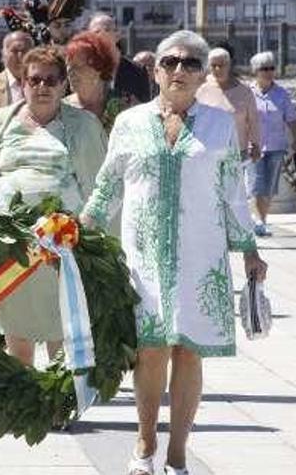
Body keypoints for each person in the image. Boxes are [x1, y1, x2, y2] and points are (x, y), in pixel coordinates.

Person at [79, 30, 268, 475]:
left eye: (190, 64)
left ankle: (178, 452)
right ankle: (144, 443)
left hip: (200, 257)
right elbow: (107, 187)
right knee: (150, 351)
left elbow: (233, 195)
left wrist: (250, 252)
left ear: (203, 73)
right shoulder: (129, 122)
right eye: (170, 62)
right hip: (142, 258)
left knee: (188, 351)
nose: (179, 70)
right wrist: (74, 229)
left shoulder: (221, 125)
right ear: (155, 70)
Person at [0, 46, 107, 366]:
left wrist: (93, 236)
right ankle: (24, 403)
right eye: (35, 79)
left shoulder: (84, 125)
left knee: (60, 327)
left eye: (51, 80)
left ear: (64, 84)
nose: (43, 87)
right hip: (10, 245)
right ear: (22, 83)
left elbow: (101, 188)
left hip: (63, 244)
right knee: (17, 330)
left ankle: (58, 405)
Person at [249, 50, 296, 237]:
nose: (269, 72)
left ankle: (262, 220)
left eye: (271, 68)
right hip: (253, 146)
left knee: (269, 187)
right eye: (265, 69)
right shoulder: (248, 93)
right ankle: (259, 221)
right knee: (256, 185)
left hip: (277, 146)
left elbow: (292, 119)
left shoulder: (281, 94)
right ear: (256, 71)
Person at [197, 47, 261, 162]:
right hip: (209, 153)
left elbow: (253, 121)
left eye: (221, 65)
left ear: (229, 65)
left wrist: (255, 144)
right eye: (213, 65)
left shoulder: (244, 92)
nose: (217, 69)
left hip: (238, 154)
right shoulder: (201, 90)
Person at [64, 30, 130, 132]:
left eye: (77, 67)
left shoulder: (125, 105)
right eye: (68, 67)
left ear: (98, 68)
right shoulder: (61, 110)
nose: (70, 73)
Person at [87, 13, 151, 105]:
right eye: (97, 32)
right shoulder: (82, 69)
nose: (102, 35)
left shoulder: (138, 71)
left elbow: (145, 108)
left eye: (107, 30)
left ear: (117, 35)